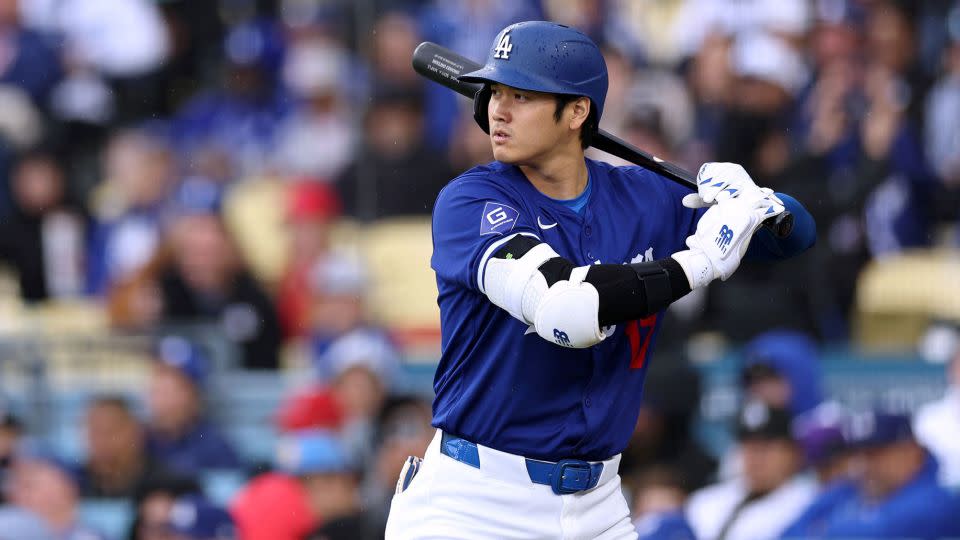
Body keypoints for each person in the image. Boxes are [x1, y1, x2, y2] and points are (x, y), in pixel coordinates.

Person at [384, 21, 815, 538]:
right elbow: (567, 311)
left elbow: (795, 238)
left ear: (577, 111)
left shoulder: (645, 196)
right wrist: (700, 260)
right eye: (496, 91)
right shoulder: (471, 201)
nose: (498, 109)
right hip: (475, 502)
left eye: (520, 95)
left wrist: (756, 202)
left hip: (599, 504)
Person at [782, 410, 960, 539]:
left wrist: (821, 531)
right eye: (862, 454)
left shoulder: (938, 499)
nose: (867, 464)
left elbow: (879, 533)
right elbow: (790, 533)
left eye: (876, 454)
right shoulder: (850, 489)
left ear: (912, 451)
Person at [685, 402, 817, 540]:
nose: (755, 458)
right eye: (749, 447)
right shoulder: (705, 500)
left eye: (765, 448)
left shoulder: (807, 505)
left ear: (792, 453)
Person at [145, 336, 241, 474]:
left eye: (172, 385)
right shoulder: (137, 440)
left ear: (195, 394)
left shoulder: (214, 448)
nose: (158, 390)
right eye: (157, 377)